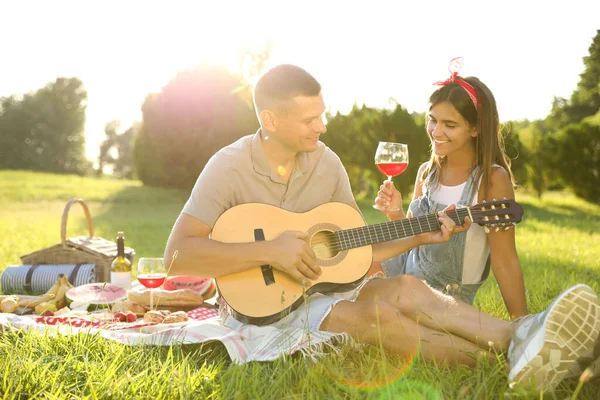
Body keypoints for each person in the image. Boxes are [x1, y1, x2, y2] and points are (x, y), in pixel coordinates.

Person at [163, 64, 600, 391]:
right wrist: (270, 251)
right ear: (271, 121)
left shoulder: (326, 162)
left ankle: (521, 337)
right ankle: (513, 363)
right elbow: (177, 255)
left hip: (322, 291)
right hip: (263, 307)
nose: (323, 126)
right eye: (309, 120)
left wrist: (418, 233)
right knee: (376, 317)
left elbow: (350, 252)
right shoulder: (228, 166)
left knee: (408, 288)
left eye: (322, 114)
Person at [375, 57, 527, 319]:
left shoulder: (490, 180)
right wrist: (395, 214)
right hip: (405, 277)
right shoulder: (427, 172)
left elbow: (505, 261)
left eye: (450, 124)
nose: (436, 131)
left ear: (475, 128)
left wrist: (522, 323)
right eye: (433, 120)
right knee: (356, 260)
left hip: (446, 297)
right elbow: (412, 243)